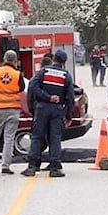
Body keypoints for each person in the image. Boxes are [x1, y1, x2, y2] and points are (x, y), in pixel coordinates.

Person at [22, 49, 75, 178]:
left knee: (37, 137)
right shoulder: (66, 75)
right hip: (57, 110)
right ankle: (55, 168)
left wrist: (46, 97)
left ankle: (32, 167)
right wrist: (68, 115)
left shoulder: (43, 72)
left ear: (54, 59)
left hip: (42, 108)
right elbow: (70, 98)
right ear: (64, 62)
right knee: (55, 138)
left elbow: (33, 87)